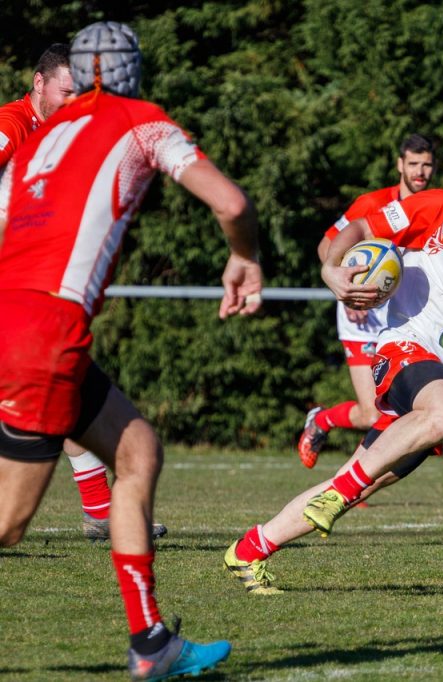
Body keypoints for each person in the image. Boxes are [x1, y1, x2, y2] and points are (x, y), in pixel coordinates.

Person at [0, 21, 262, 679]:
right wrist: (243, 257)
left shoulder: (43, 137)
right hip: (43, 332)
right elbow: (230, 201)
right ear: (130, 72)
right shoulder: (143, 122)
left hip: (18, 315)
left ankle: (151, 644)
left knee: (137, 447)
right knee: (6, 524)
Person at [222, 133, 443, 595]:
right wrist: (332, 270)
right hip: (408, 349)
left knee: (358, 481)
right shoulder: (440, 206)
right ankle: (339, 491)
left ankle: (249, 550)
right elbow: (356, 231)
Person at [1, 43, 168, 543]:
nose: (75, 101)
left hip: (33, 298)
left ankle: (99, 510)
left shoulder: (65, 131)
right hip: (18, 294)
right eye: (66, 91)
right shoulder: (13, 125)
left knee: (65, 386)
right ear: (38, 84)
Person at [298, 134, 435, 468]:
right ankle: (326, 424)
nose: (420, 171)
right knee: (370, 412)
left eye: (427, 164)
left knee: (400, 408)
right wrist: (344, 290)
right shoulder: (372, 204)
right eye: (413, 164)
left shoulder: (435, 205)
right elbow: (326, 245)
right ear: (400, 164)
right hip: (360, 310)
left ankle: (356, 473)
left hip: (405, 316)